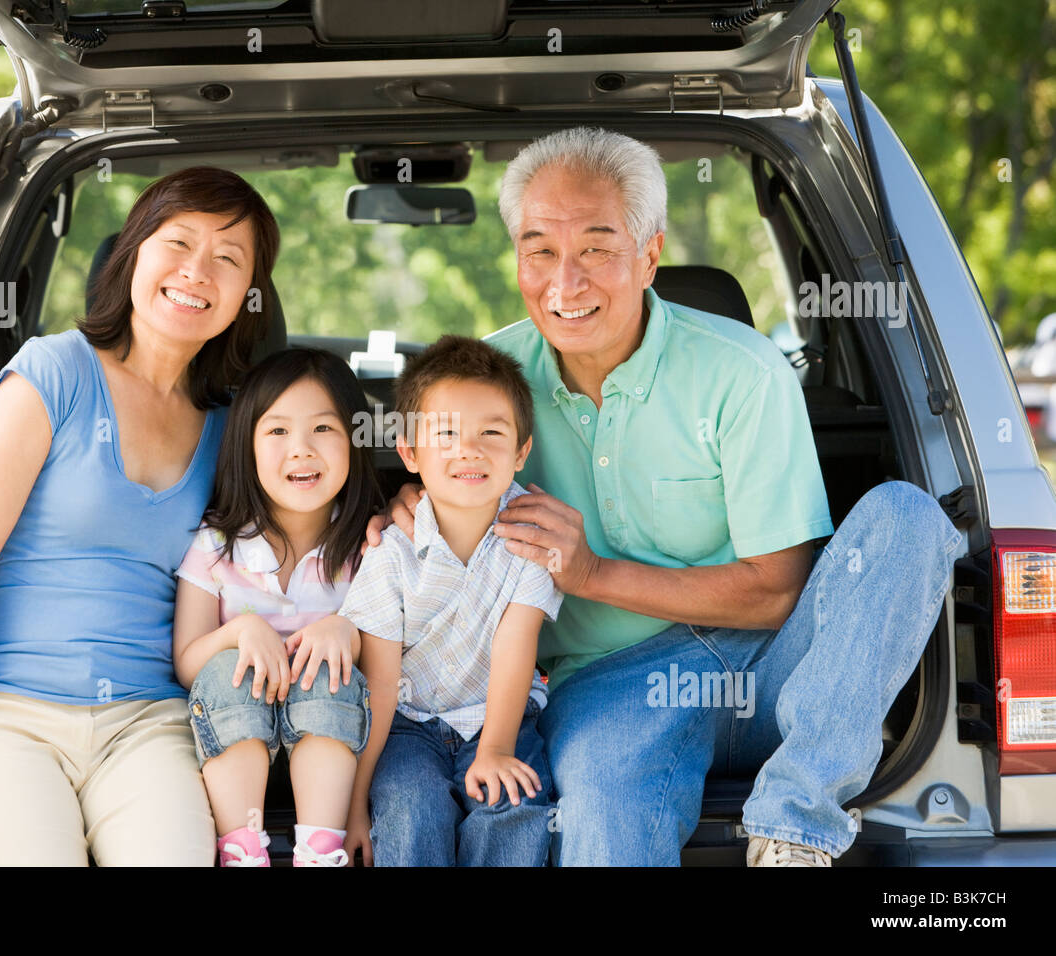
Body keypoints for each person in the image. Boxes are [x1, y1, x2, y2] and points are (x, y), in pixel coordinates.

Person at [369, 126, 961, 866]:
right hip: (610, 686)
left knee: (908, 515)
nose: (565, 281)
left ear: (650, 254)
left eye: (596, 247)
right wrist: (409, 509)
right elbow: (442, 479)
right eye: (540, 249)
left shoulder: (742, 372)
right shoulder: (493, 385)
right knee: (602, 802)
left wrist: (592, 575)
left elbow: (779, 593)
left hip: (782, 668)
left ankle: (794, 824)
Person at [0, 166, 281, 865]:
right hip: (7, 716)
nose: (198, 271)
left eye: (229, 258)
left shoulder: (230, 428)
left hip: (146, 724)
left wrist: (395, 515)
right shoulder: (51, 373)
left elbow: (299, 530)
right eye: (178, 243)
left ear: (248, 297)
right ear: (133, 252)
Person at [342, 335, 563, 867]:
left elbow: (516, 647)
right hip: (406, 727)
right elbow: (380, 686)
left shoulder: (532, 539)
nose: (471, 449)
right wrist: (352, 805)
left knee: (512, 800)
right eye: (446, 433)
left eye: (492, 432)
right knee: (410, 807)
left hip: (500, 719)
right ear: (410, 452)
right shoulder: (391, 553)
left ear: (521, 452)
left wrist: (495, 750)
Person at [173, 347, 383, 867]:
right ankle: (242, 850)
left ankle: (319, 850)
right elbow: (186, 661)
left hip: (327, 725)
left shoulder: (371, 548)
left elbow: (385, 661)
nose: (301, 451)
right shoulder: (217, 544)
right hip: (238, 723)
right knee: (227, 671)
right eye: (278, 432)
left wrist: (346, 632)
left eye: (323, 430)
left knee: (326, 671)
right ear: (246, 445)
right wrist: (238, 633)